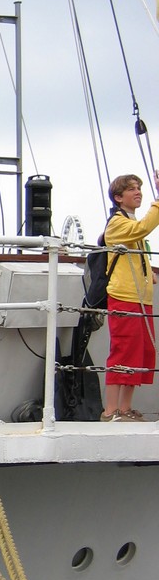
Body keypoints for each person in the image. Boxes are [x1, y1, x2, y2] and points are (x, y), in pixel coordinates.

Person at [100, 172, 159, 422]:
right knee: (123, 350)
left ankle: (124, 409)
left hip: (140, 299)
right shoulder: (117, 223)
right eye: (132, 189)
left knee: (140, 352)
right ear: (118, 197)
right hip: (124, 297)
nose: (138, 192)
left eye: (139, 188)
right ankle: (110, 411)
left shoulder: (129, 222)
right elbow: (142, 228)